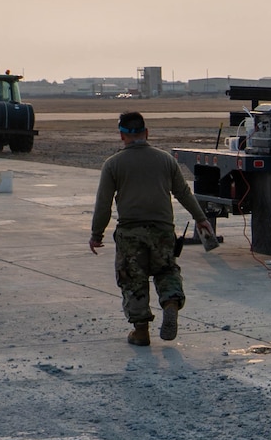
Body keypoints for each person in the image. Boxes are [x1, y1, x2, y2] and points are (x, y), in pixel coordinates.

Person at [88, 111, 219, 346]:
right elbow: (183, 193)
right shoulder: (165, 160)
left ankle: (141, 332)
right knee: (166, 270)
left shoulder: (113, 164)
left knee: (133, 279)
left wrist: (97, 234)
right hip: (163, 231)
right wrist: (201, 219)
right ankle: (170, 302)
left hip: (130, 233)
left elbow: (103, 204)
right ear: (146, 133)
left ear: (121, 136)